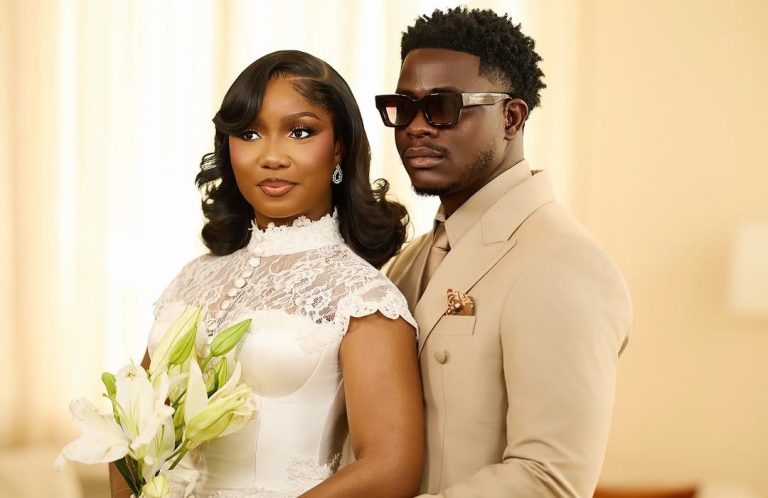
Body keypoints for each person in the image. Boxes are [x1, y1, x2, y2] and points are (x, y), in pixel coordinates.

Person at [110, 50, 424, 498]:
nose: (272, 156)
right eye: (250, 133)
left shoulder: (363, 296)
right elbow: (132, 425)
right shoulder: (192, 277)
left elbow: (391, 468)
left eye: (300, 132)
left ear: (339, 146)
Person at [379, 8, 632, 498]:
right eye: (403, 107)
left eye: (443, 106)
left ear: (511, 117)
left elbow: (550, 479)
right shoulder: (409, 259)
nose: (416, 127)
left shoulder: (562, 262)